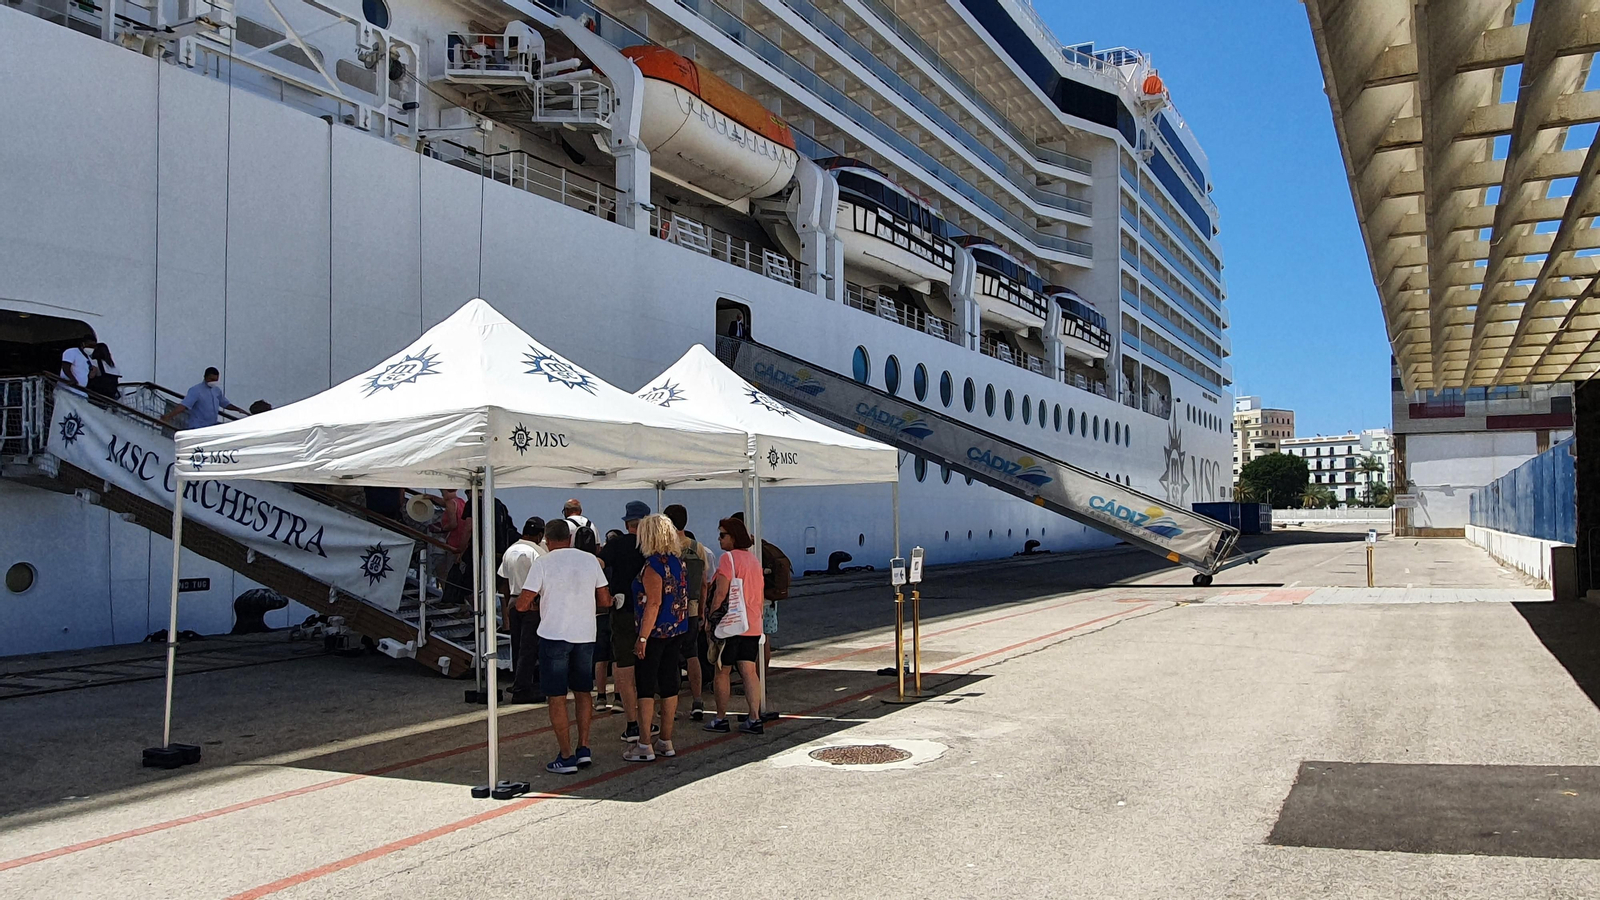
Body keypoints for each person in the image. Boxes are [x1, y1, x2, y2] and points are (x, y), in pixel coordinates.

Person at [515, 518, 611, 775]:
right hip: (585, 634)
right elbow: (604, 600)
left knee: (556, 697)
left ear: (546, 540)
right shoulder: (590, 560)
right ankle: (584, 748)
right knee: (583, 691)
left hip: (554, 634)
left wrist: (538, 604)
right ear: (570, 538)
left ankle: (566, 755)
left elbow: (522, 604)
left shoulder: (543, 562)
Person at [624, 514, 689, 761]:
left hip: (654, 633)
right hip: (676, 630)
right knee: (670, 684)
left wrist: (642, 638)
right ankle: (666, 739)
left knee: (647, 687)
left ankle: (644, 744)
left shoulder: (652, 566)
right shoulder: (678, 562)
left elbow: (654, 603)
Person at [705, 516, 765, 735]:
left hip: (730, 624)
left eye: (722, 535)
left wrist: (711, 618)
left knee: (722, 670)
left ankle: (720, 717)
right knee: (749, 670)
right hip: (752, 623)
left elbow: (721, 592)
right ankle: (754, 717)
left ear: (733, 537)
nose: (719, 539)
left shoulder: (727, 559)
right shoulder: (753, 560)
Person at [598, 500, 649, 744]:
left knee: (625, 668)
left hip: (622, 610)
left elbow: (597, 564)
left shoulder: (616, 544)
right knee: (650, 670)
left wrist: (604, 592)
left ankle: (632, 723)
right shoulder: (652, 546)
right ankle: (650, 721)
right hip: (651, 612)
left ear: (627, 523)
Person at [663, 504, 712, 720]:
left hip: (670, 611)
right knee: (692, 654)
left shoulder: (664, 547)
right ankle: (698, 700)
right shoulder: (697, 547)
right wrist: (702, 611)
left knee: (670, 656)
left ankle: (669, 705)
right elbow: (703, 584)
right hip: (692, 609)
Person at [731, 512, 792, 663]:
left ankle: (752, 679)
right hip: (769, 599)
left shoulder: (745, 549)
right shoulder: (762, 544)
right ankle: (761, 679)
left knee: (749, 643)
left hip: (751, 602)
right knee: (765, 640)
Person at [499, 517, 547, 703]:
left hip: (513, 600)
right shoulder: (538, 552)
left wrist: (506, 608)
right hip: (532, 602)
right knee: (530, 647)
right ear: (540, 534)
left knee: (517, 645)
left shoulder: (510, 550)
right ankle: (523, 688)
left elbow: (503, 582)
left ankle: (518, 681)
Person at [572, 524, 613, 712]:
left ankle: (601, 695)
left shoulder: (572, 563)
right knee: (610, 657)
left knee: (597, 658)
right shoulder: (600, 562)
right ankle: (614, 696)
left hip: (584, 615)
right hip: (604, 613)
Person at [162, 367, 245, 429]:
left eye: (215, 380)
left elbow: (225, 404)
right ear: (205, 377)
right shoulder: (196, 390)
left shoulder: (216, 390)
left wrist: (238, 409)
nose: (213, 382)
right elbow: (184, 405)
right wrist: (168, 416)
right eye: (211, 379)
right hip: (197, 427)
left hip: (211, 426)